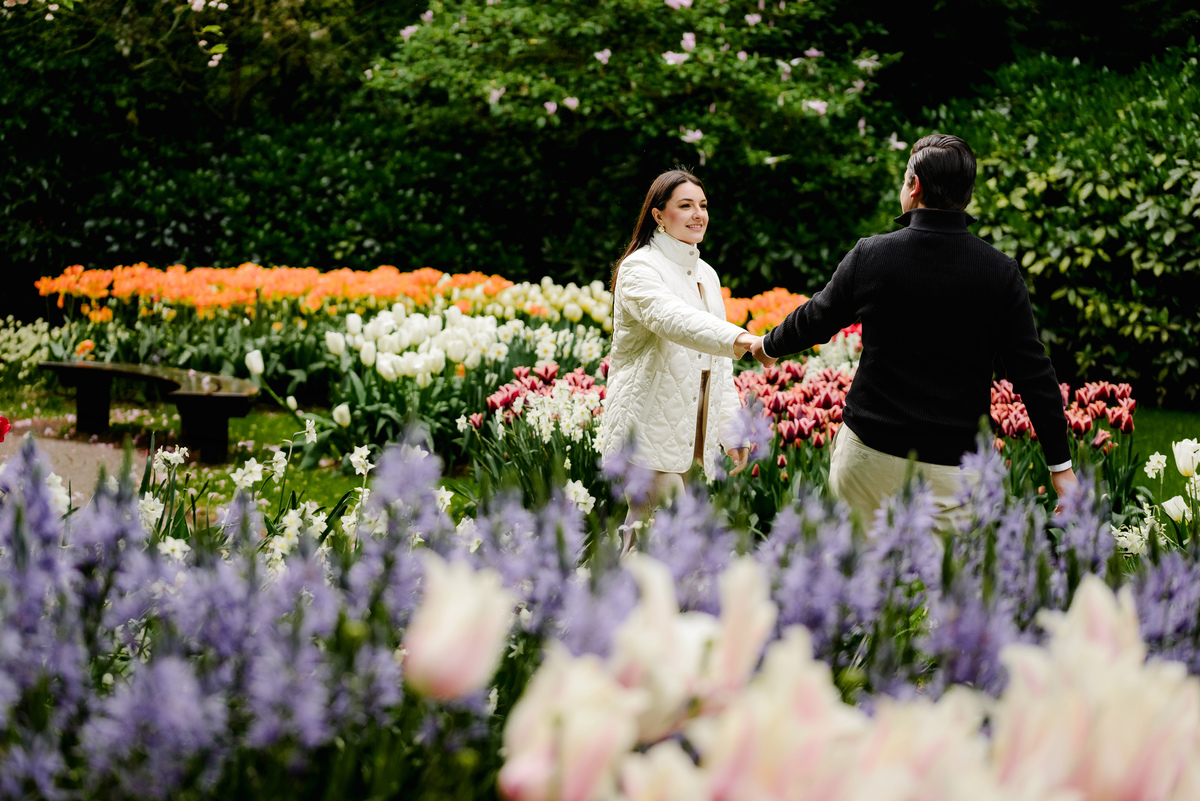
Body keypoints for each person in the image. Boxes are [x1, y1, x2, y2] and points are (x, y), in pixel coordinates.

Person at [751, 134, 1078, 528]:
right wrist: (1060, 466)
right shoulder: (999, 272)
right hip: (954, 469)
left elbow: (816, 318)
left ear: (914, 186)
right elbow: (1034, 373)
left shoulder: (871, 255)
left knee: (859, 581)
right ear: (966, 196)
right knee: (948, 586)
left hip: (868, 457)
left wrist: (768, 344)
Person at [599, 169, 764, 552]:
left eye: (702, 205)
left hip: (689, 437)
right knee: (655, 545)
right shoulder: (639, 268)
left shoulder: (705, 272)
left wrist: (731, 429)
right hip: (645, 433)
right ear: (658, 215)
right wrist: (740, 338)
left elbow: (717, 369)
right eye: (685, 205)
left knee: (660, 546)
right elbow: (674, 320)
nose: (698, 214)